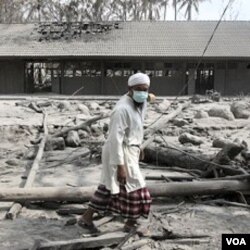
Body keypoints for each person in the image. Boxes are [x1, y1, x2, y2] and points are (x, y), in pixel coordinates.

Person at [78, 72, 154, 233]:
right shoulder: (121, 109)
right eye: (139, 89)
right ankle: (131, 223)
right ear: (130, 89)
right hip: (119, 152)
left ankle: (86, 218)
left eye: (145, 89)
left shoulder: (140, 101)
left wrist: (139, 147)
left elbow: (147, 99)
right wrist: (120, 165)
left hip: (131, 150)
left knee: (108, 186)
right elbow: (115, 139)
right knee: (138, 189)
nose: (142, 93)